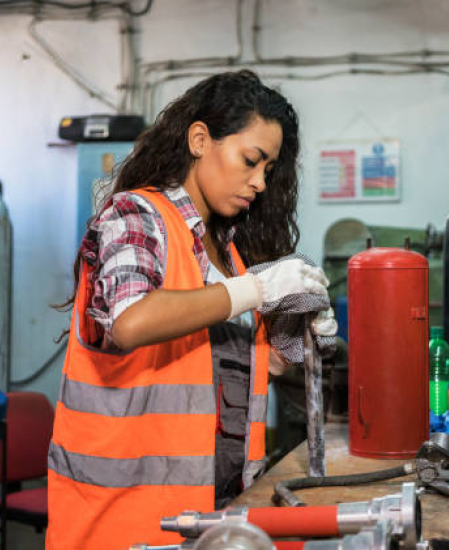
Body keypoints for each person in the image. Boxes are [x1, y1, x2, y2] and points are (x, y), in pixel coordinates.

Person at [46, 70, 334, 549]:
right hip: (121, 526)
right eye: (250, 160)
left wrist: (299, 336)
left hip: (212, 520)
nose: (260, 182)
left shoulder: (230, 253)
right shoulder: (133, 216)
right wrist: (256, 291)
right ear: (200, 140)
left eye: (269, 169)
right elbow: (131, 319)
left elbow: (232, 376)